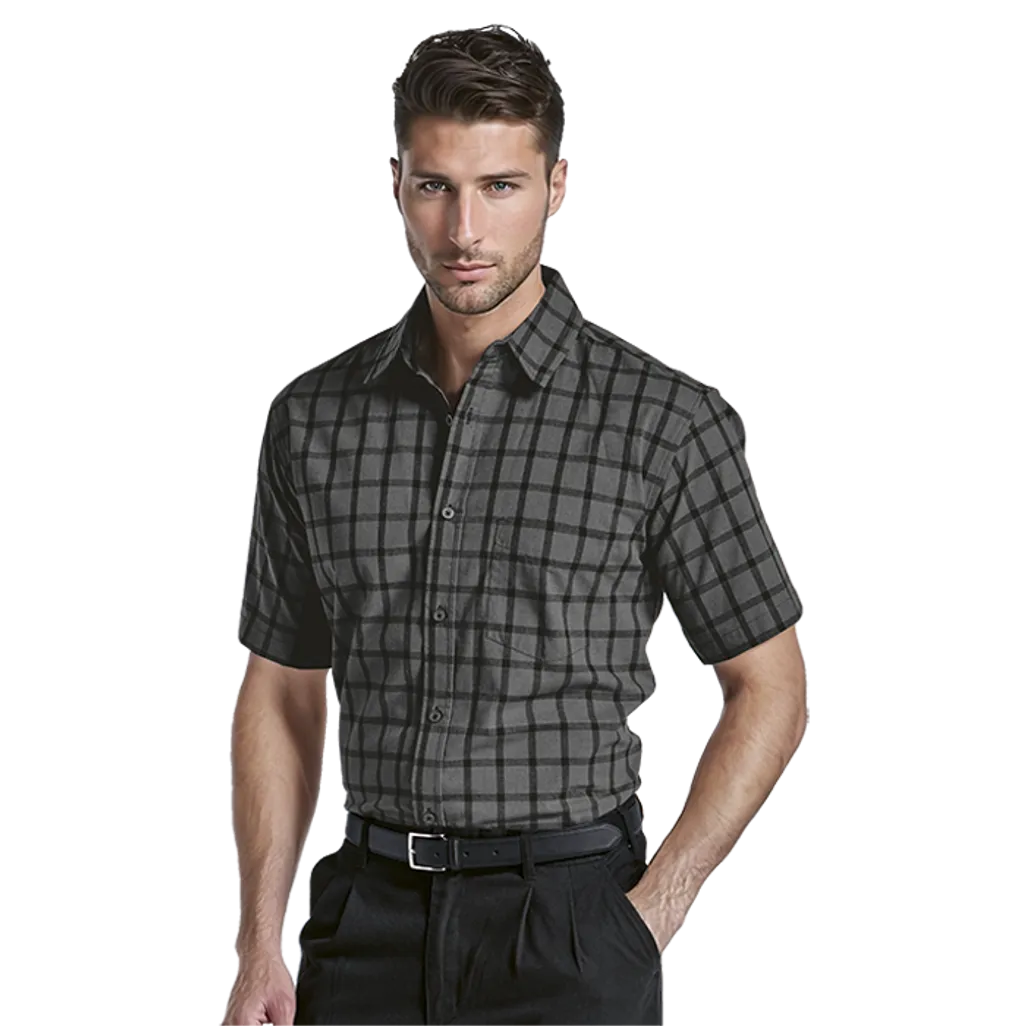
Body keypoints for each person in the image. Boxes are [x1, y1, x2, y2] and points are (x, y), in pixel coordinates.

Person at [226, 25, 809, 1026]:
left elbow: (772, 686)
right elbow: (279, 688)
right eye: (436, 186)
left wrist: (650, 918)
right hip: (365, 926)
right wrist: (256, 948)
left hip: (572, 926)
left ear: (556, 187)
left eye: (500, 186)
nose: (464, 230)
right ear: (395, 184)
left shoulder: (665, 421)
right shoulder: (312, 418)